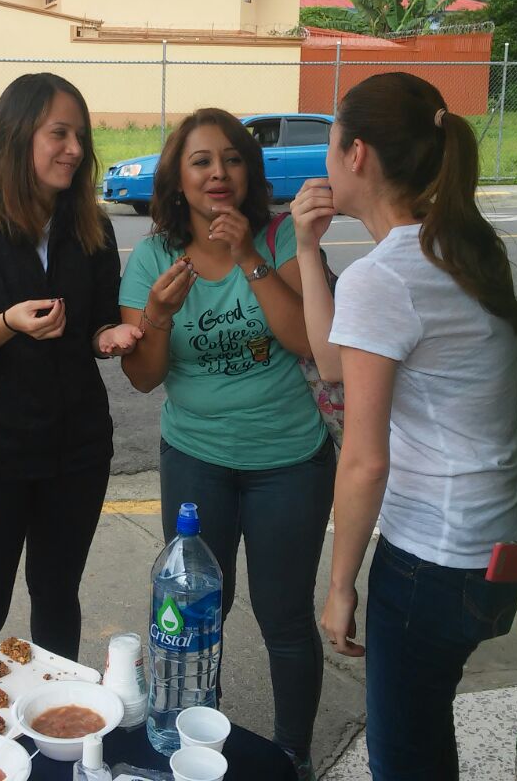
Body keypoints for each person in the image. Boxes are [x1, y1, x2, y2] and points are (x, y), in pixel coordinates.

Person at [293, 73, 517, 780]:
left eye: (330, 142)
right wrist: (308, 252)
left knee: (405, 755)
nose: (325, 159)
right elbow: (332, 363)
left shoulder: (389, 276)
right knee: (423, 729)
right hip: (496, 544)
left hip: (435, 555)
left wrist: (340, 583)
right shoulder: (461, 246)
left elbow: (364, 463)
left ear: (357, 155)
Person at [119, 108, 334, 781]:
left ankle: (290, 754)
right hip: (196, 458)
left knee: (285, 615)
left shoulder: (281, 238)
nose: (218, 173)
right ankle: (191, 741)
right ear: (177, 180)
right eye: (200, 161)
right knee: (194, 615)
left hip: (289, 460)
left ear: (249, 170)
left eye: (232, 159)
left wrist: (248, 257)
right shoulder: (154, 255)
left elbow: (309, 344)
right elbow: (144, 377)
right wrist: (155, 315)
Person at [0, 72, 140, 684]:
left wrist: (109, 337)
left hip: (76, 452)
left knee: (58, 600)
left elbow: (94, 325)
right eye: (58, 133)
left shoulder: (91, 227)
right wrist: (7, 323)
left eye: (80, 135)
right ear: (19, 137)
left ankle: (56, 734)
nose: (74, 148)